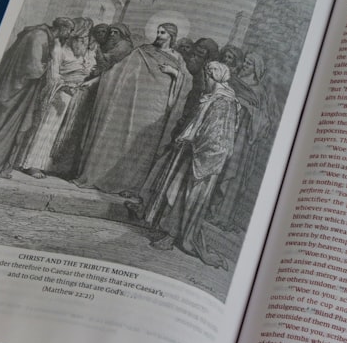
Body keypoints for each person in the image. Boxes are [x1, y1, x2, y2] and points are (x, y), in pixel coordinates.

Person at [132, 61, 239, 268]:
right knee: (176, 193)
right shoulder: (215, 97)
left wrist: (193, 143)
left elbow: (217, 135)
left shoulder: (223, 101)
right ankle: (168, 233)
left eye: (205, 77)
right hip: (193, 153)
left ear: (212, 76)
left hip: (204, 158)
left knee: (187, 198)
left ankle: (173, 237)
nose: (204, 81)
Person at [73, 22, 191, 195]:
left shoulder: (178, 58)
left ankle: (132, 186)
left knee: (144, 146)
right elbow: (119, 71)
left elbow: (186, 81)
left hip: (156, 108)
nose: (159, 35)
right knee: (123, 141)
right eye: (158, 32)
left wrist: (175, 73)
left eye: (163, 33)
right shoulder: (143, 51)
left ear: (172, 36)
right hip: (136, 103)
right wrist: (94, 82)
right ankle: (108, 178)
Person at [0, 17, 74, 180]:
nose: (69, 35)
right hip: (14, 89)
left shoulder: (45, 36)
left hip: (22, 91)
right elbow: (33, 68)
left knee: (11, 129)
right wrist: (50, 71)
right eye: (69, 31)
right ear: (62, 28)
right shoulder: (38, 36)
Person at [17, 17, 95, 178]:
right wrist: (65, 86)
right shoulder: (59, 49)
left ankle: (50, 166)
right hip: (58, 95)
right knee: (46, 129)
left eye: (86, 38)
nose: (84, 42)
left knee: (62, 134)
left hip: (74, 97)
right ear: (74, 37)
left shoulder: (85, 53)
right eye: (81, 38)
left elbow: (89, 70)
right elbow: (53, 75)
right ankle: (31, 164)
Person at [210, 51, 276, 232]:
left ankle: (218, 213)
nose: (245, 66)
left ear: (256, 70)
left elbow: (265, 119)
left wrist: (248, 108)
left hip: (241, 138)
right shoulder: (232, 80)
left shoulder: (259, 91)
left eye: (249, 64)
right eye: (245, 62)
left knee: (229, 174)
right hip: (222, 130)